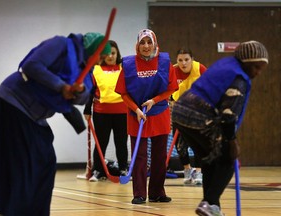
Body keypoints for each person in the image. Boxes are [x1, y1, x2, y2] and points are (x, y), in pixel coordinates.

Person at [0, 32, 111, 216]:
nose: (100, 62)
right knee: (24, 164)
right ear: (92, 50)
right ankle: (14, 211)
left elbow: (84, 97)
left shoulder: (85, 68)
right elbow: (31, 65)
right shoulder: (61, 44)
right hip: (13, 102)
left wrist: (77, 91)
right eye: (100, 57)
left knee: (45, 161)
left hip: (34, 115)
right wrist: (60, 86)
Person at [172, 40, 269, 216]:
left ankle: (212, 206)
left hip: (180, 112)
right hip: (199, 116)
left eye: (261, 68)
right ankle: (209, 203)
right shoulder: (239, 78)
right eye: (256, 67)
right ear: (246, 62)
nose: (258, 72)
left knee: (209, 158)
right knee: (228, 160)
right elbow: (228, 115)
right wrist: (231, 142)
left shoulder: (226, 64)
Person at [115, 29, 178, 204]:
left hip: (159, 112)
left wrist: (154, 100)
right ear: (137, 45)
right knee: (140, 156)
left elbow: (172, 88)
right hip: (137, 114)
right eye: (142, 42)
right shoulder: (128, 65)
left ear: (155, 44)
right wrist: (136, 109)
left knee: (159, 156)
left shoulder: (165, 62)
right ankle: (139, 194)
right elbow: (123, 93)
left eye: (149, 42)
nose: (146, 46)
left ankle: (157, 192)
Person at [83, 40, 128, 182]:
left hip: (122, 112)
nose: (110, 56)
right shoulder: (95, 69)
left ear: (117, 54)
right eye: (107, 54)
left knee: (121, 142)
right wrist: (87, 109)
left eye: (113, 53)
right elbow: (90, 91)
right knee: (101, 142)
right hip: (101, 112)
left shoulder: (124, 68)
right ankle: (98, 170)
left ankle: (123, 168)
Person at [170, 48, 207, 185]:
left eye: (186, 59)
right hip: (179, 112)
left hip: (197, 113)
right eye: (180, 60)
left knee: (198, 143)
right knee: (179, 145)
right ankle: (187, 169)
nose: (183, 63)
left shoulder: (200, 69)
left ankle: (198, 171)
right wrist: (171, 101)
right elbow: (167, 89)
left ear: (192, 59)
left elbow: (210, 87)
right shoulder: (173, 71)